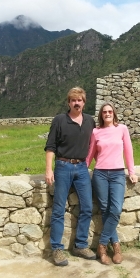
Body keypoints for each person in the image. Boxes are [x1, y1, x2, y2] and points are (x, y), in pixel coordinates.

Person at [44, 86, 97, 266]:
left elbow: (94, 144)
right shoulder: (60, 120)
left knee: (87, 207)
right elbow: (50, 146)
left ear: (84, 102)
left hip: (82, 167)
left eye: (79, 100)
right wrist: (49, 169)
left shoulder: (90, 121)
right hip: (63, 166)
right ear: (69, 102)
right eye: (73, 100)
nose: (76, 103)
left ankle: (80, 245)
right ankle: (57, 249)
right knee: (58, 209)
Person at [86, 102, 138, 265]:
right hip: (100, 173)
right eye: (104, 112)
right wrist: (82, 170)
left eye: (110, 111)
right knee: (105, 209)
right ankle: (116, 247)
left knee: (115, 209)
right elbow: (90, 153)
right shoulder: (96, 132)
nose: (107, 114)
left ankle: (102, 245)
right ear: (101, 115)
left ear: (114, 114)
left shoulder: (122, 129)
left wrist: (132, 171)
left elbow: (128, 151)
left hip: (117, 174)